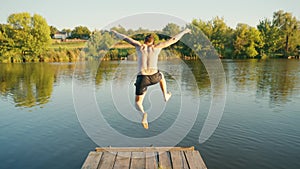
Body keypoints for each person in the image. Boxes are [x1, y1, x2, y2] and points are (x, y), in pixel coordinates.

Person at [111, 28, 191, 129]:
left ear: (144, 41)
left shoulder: (139, 46)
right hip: (154, 77)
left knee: (138, 103)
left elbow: (125, 38)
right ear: (153, 42)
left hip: (142, 78)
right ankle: (165, 95)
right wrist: (184, 31)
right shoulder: (157, 47)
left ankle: (143, 114)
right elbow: (173, 39)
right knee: (161, 75)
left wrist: (115, 32)